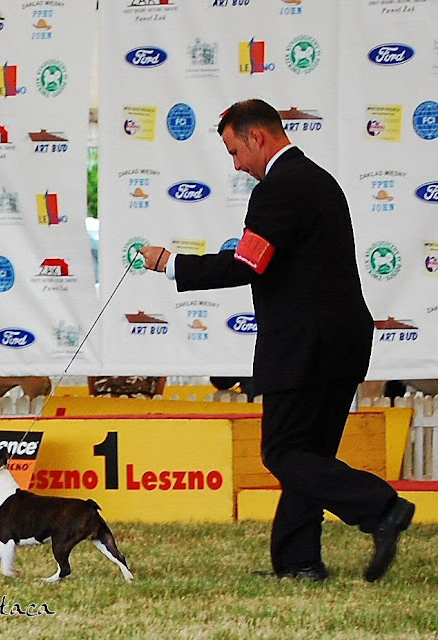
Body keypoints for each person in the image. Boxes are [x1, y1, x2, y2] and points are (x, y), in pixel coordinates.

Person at [141, 99, 414, 582]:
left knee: (283, 453)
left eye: (234, 151)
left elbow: (248, 263)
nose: (236, 165)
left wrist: (172, 264)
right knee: (308, 456)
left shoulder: (279, 189)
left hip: (307, 345)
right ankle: (299, 563)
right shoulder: (319, 180)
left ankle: (382, 508)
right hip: (343, 340)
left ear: (257, 137)